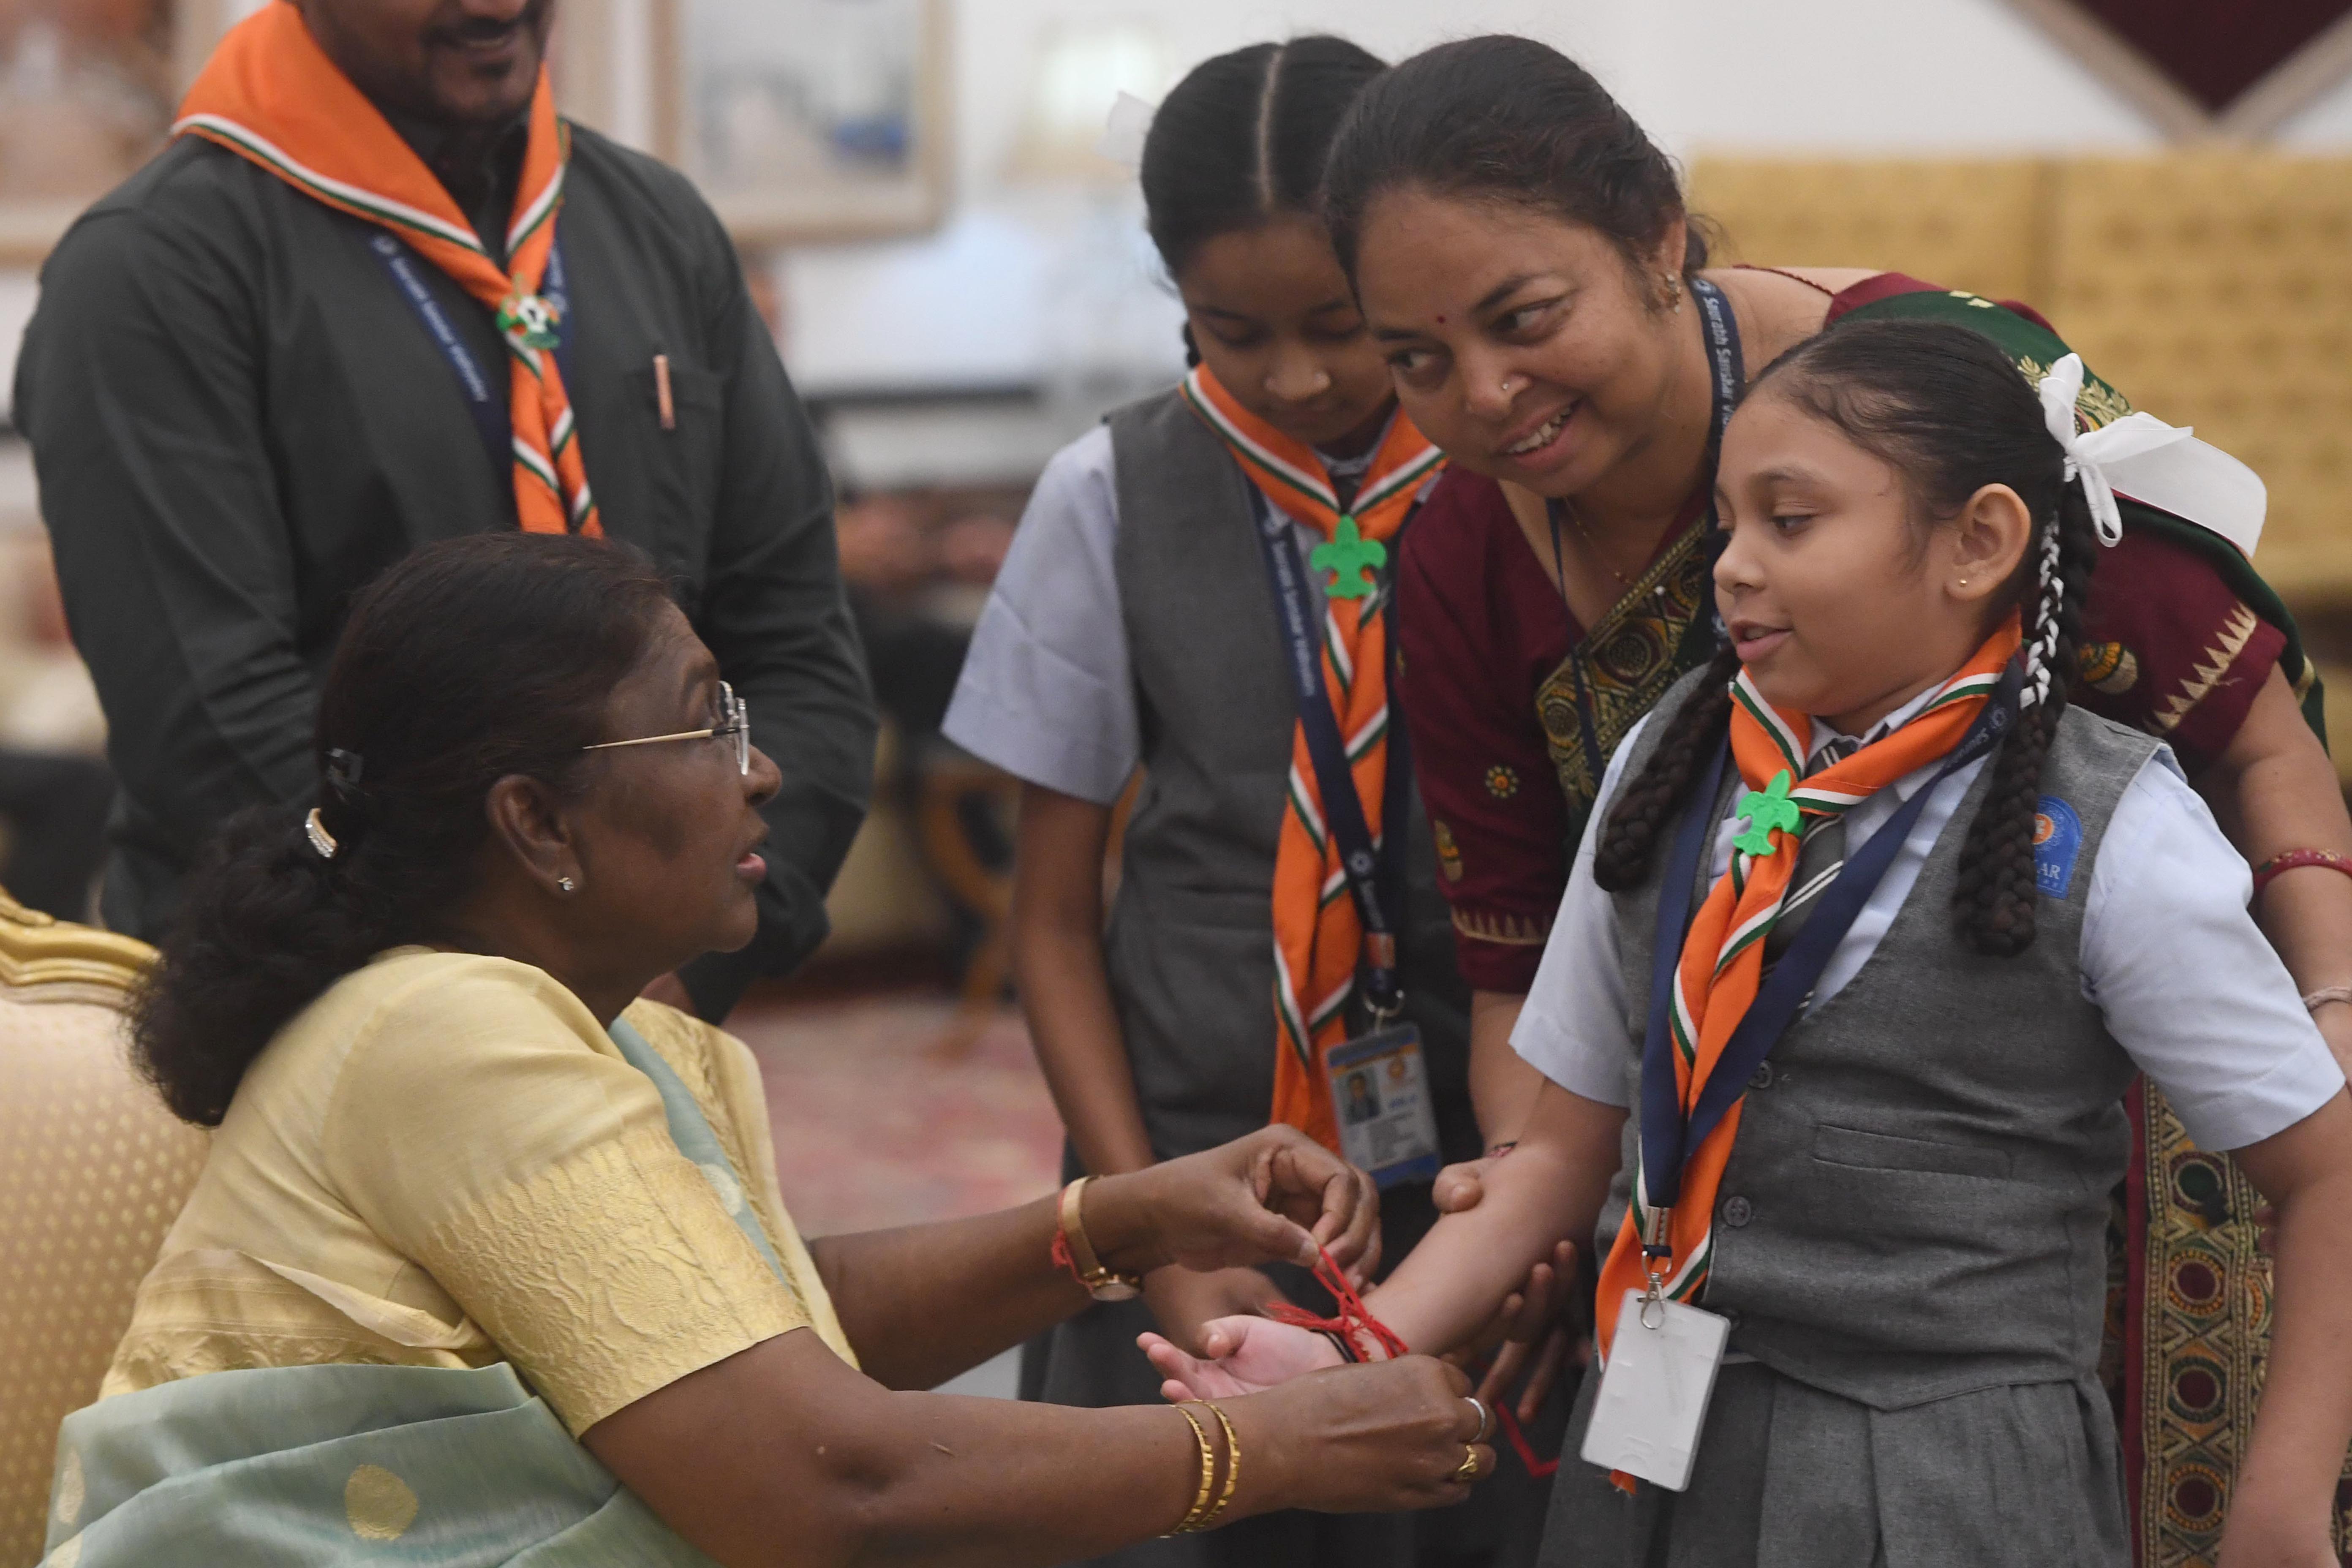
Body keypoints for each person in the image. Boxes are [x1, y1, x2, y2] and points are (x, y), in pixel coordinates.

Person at [1315, 37, 2352, 1549]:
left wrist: (2328, 1007)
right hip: (1696, 1270)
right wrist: (1557, 1207)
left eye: (1525, 319)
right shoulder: (1470, 560)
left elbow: (2253, 744)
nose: (1482, 394)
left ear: (1655, 238)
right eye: (1413, 360)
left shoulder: (1934, 416)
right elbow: (1524, 969)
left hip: (2076, 1078)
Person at [50, 533, 1497, 1568]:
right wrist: (1275, 1454)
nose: (759, 769)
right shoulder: (446, 1033)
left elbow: (749, 1328)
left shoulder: (603, 1022)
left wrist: (1118, 1221)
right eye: (702, 726)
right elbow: (828, 1486)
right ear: (535, 822)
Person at [940, 38, 1561, 1568]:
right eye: (1232, 331)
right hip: (1189, 1154)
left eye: (1339, 327)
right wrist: (1139, 1227)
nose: (1293, 377)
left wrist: (1535, 1199)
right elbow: (1051, 922)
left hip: (1476, 1157)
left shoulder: (1520, 479)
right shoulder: (1109, 492)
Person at [11, 0, 872, 1020]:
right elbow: (213, 731)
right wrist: (522, 986)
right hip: (312, 1026)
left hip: (654, 1012)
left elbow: (803, 654)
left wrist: (678, 973)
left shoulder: (662, 228)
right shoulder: (152, 269)